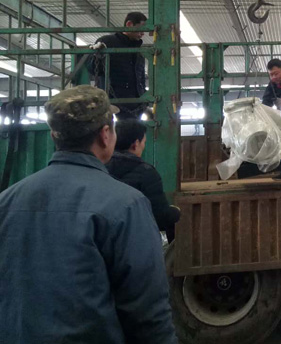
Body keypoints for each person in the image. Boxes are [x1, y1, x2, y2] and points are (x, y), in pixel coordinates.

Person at [0, 86, 177, 344]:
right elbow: (147, 313)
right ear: (105, 135)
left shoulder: (7, 201)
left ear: (54, 135)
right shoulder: (126, 205)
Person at [107, 118, 181, 242]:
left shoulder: (100, 167)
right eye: (144, 142)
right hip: (135, 240)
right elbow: (160, 218)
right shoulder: (146, 173)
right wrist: (175, 212)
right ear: (136, 144)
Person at [89, 11, 148, 120]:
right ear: (129, 24)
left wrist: (143, 98)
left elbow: (141, 78)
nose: (143, 33)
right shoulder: (107, 42)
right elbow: (94, 69)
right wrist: (99, 55)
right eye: (141, 29)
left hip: (135, 104)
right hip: (112, 100)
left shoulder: (139, 52)